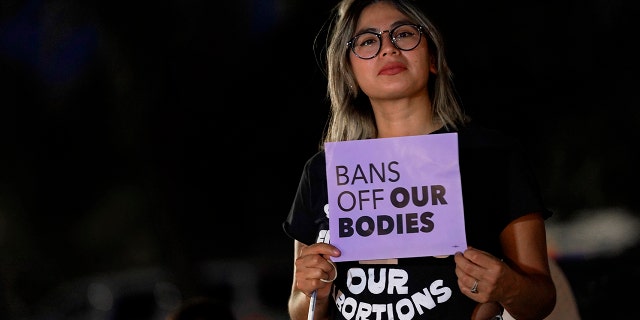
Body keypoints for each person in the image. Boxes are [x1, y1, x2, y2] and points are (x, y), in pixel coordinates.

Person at [282, 0, 556, 319]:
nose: (388, 48)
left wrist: (507, 287)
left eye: (404, 34)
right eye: (368, 41)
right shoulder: (323, 171)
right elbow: (299, 311)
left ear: (434, 59)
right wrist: (311, 290)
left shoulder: (493, 156)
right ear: (350, 72)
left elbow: (541, 300)